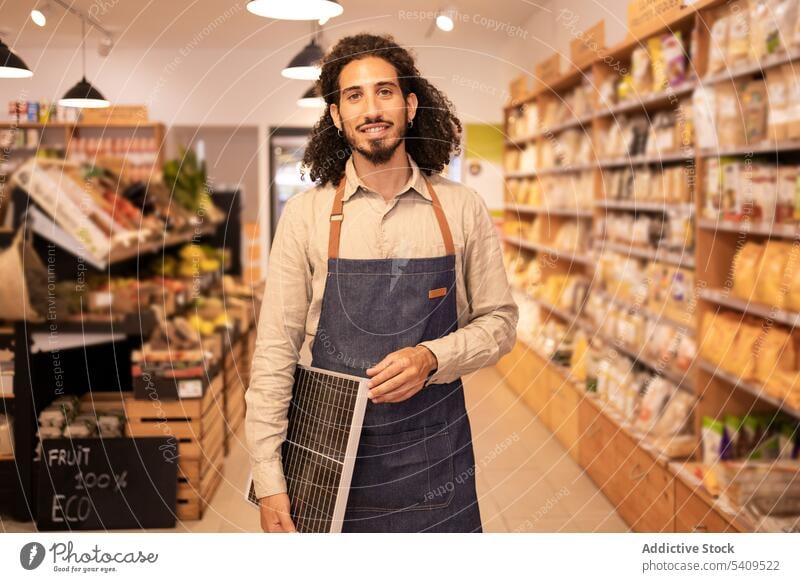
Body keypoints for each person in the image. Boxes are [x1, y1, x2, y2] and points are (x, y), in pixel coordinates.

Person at [245, 33, 518, 533]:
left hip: (435, 452)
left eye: (385, 92)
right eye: (354, 96)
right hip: (326, 461)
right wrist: (268, 477)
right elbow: (274, 352)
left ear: (411, 105)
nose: (372, 108)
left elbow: (500, 323)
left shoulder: (460, 209)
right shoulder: (306, 216)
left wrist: (432, 357)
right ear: (335, 116)